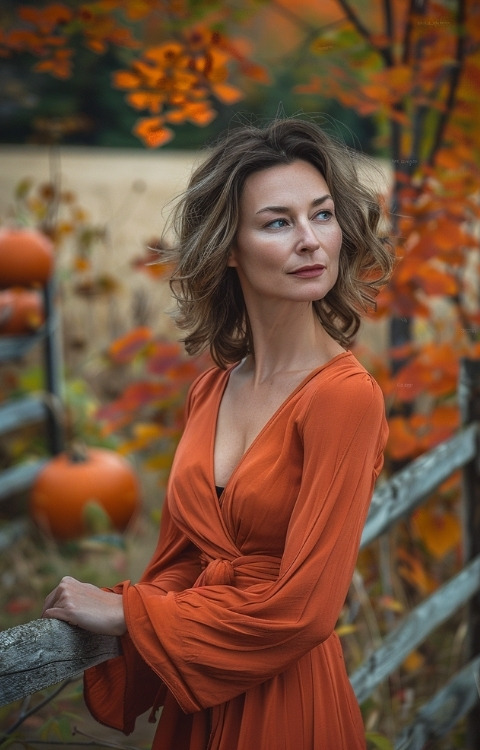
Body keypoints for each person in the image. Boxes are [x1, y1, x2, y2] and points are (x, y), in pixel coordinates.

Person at [42, 117, 393, 750]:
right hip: (200, 692)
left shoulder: (345, 399)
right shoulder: (212, 388)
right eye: (278, 222)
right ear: (229, 247)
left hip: (286, 700)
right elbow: (180, 563)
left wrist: (127, 614)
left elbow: (305, 611)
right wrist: (123, 601)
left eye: (322, 215)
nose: (311, 241)